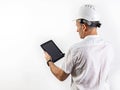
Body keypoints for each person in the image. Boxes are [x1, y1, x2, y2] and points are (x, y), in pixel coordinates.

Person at [43, 4, 114, 90]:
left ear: (83, 27)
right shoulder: (109, 47)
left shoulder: (76, 50)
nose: (77, 30)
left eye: (77, 26)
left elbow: (61, 76)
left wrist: (49, 61)